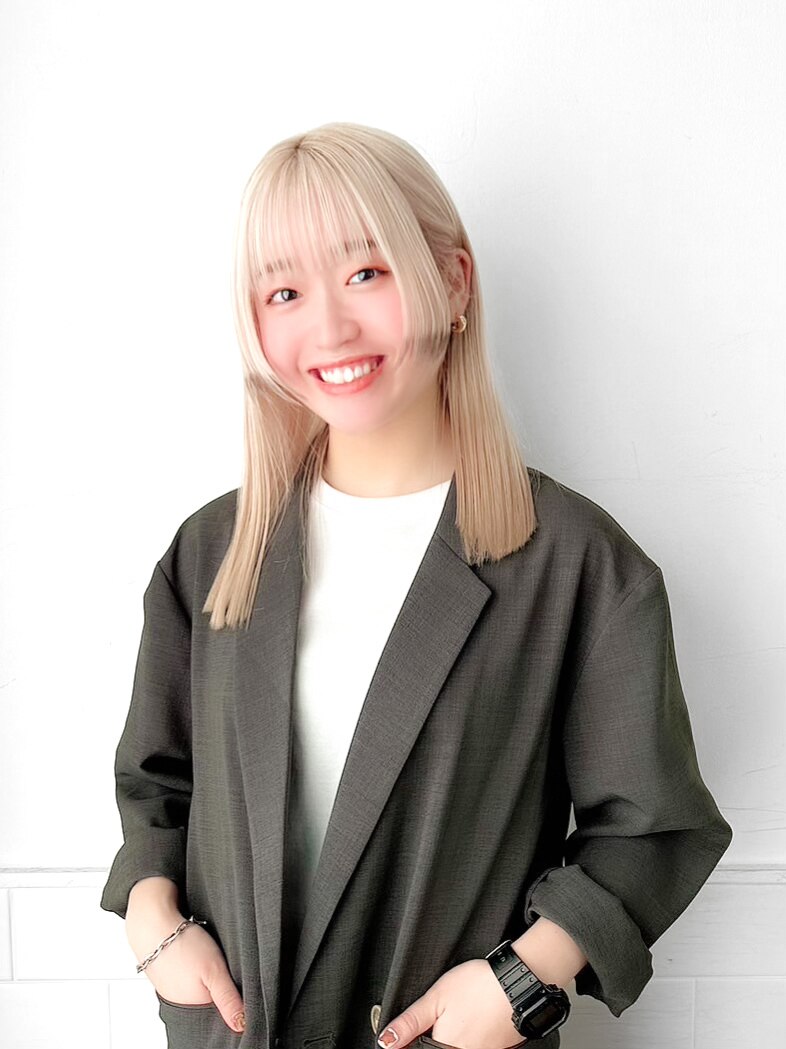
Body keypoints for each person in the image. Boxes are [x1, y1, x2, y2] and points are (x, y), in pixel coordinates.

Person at [100, 122, 732, 1049]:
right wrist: (153, 920)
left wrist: (523, 979)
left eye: (367, 272)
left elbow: (651, 825)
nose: (330, 328)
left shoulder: (580, 565)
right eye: (284, 292)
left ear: (454, 284)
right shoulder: (210, 553)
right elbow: (155, 782)